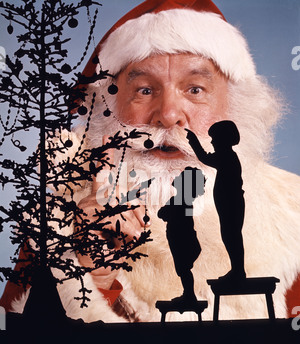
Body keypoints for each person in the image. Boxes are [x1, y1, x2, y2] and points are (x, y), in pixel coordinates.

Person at [1, 0, 300, 322]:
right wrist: (88, 271)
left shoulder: (291, 212)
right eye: (144, 90)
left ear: (237, 107)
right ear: (107, 106)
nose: (169, 116)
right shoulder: (58, 215)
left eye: (196, 89)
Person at [186, 122, 246, 282]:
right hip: (229, 202)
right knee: (230, 235)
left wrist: (193, 140)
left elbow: (204, 157)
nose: (212, 142)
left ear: (223, 139)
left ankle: (238, 270)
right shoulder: (228, 155)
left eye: (214, 139)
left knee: (231, 235)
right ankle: (237, 269)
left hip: (230, 203)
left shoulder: (227, 156)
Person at [158, 167, 204, 305]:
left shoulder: (178, 201)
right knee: (184, 270)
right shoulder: (185, 203)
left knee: (183, 270)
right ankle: (188, 294)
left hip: (181, 239)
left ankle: (189, 295)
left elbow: (162, 214)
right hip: (183, 238)